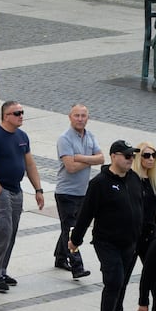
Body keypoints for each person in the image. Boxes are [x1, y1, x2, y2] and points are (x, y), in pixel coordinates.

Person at [68, 140, 144, 311]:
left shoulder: (134, 179)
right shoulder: (100, 183)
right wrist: (75, 240)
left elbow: (140, 208)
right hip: (107, 242)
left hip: (130, 243)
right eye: (127, 155)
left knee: (120, 283)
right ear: (113, 156)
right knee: (114, 281)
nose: (130, 159)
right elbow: (85, 214)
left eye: (132, 156)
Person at [0, 101, 44, 293]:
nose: (21, 116)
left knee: (11, 232)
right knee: (3, 230)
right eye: (16, 113)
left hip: (16, 189)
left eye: (22, 112)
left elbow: (30, 164)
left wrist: (38, 189)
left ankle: (2, 270)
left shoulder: (22, 136)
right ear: (5, 116)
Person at [117, 141, 156, 311]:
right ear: (138, 158)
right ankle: (117, 310)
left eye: (154, 155)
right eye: (146, 155)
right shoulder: (132, 180)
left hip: (150, 235)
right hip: (133, 235)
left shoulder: (152, 181)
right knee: (124, 275)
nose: (151, 159)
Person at [52, 104, 102, 279]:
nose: (80, 119)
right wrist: (90, 160)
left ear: (87, 118)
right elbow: (70, 167)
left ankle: (60, 257)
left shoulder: (90, 136)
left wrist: (80, 157)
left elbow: (101, 158)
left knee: (69, 226)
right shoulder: (64, 139)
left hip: (83, 192)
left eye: (83, 116)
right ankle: (77, 266)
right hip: (66, 193)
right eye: (77, 115)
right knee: (71, 229)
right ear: (70, 117)